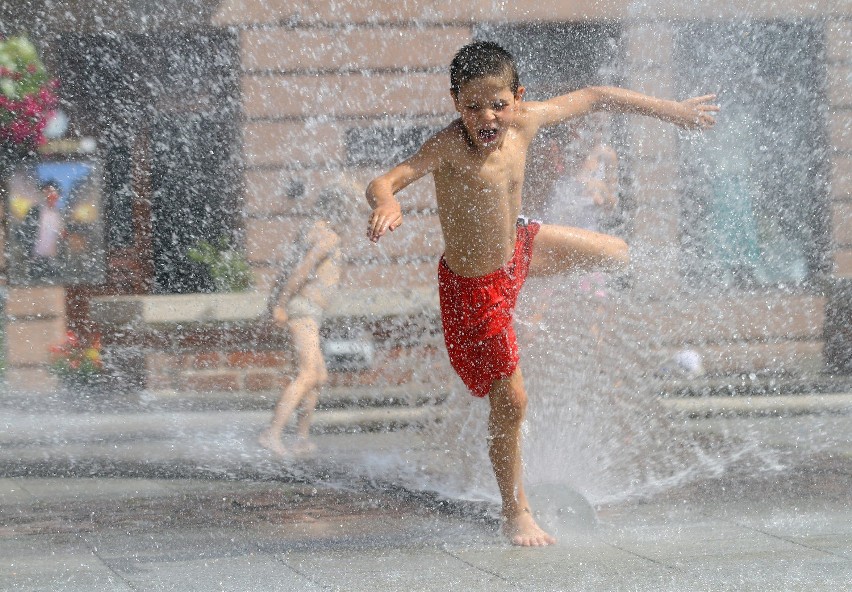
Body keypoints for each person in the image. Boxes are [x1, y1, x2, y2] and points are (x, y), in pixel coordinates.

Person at [365, 41, 718, 547]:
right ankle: (516, 513)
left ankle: (548, 317)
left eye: (498, 104)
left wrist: (673, 111)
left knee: (616, 251)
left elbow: (596, 96)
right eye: (472, 107)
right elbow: (385, 180)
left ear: (518, 97)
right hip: (475, 289)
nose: (487, 117)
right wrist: (387, 205)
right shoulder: (448, 147)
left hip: (520, 251)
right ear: (454, 103)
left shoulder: (526, 122)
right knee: (511, 402)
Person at [258, 184, 347, 458]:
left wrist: (274, 302)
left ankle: (301, 439)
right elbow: (302, 269)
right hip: (304, 309)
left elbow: (286, 268)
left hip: (307, 310)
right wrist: (281, 304)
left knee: (319, 375)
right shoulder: (327, 236)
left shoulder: (309, 231)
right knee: (308, 373)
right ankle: (271, 435)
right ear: (339, 211)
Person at [19, 179, 66, 281]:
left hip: (53, 261)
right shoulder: (34, 212)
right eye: (47, 192)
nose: (50, 196)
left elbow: (62, 237)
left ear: (57, 196)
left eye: (53, 193)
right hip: (35, 260)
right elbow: (24, 233)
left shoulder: (60, 214)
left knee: (54, 288)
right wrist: (29, 254)